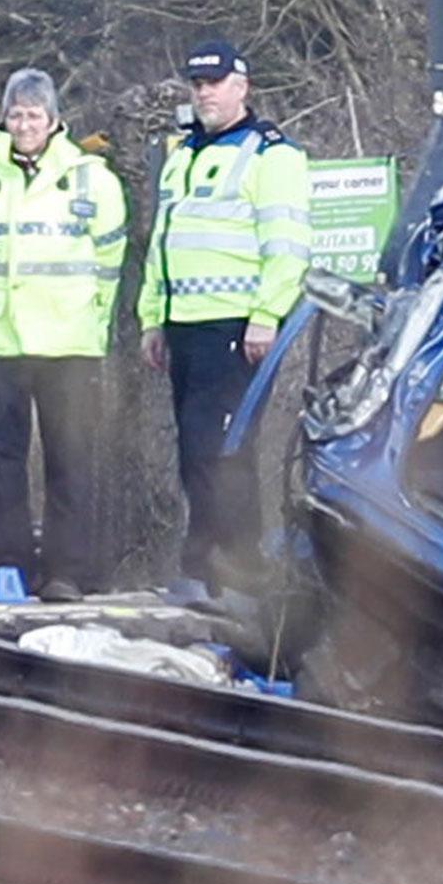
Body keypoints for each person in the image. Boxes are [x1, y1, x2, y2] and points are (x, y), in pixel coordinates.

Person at [0, 69, 127, 600]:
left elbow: (110, 255)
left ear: (54, 119)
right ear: (4, 117)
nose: (25, 125)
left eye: (34, 115)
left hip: (68, 342)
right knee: (1, 460)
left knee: (70, 459)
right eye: (16, 114)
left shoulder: (91, 178)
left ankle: (66, 572)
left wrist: (94, 316)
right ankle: (8, 569)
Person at [137, 42, 310, 593]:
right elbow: (161, 245)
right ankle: (213, 567)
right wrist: (153, 318)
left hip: (237, 326)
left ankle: (232, 568)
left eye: (214, 82)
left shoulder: (270, 156)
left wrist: (267, 315)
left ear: (242, 87)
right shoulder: (182, 155)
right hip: (184, 325)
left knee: (224, 449)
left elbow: (287, 244)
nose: (204, 92)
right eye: (197, 83)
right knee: (195, 449)